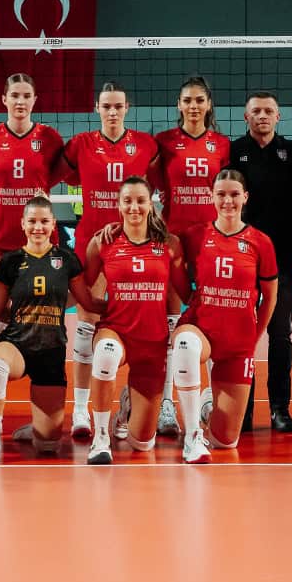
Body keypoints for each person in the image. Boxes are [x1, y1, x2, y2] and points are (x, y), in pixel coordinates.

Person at [55, 82, 158, 441]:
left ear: (127, 108)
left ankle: (130, 402)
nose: (112, 112)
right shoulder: (81, 145)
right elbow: (56, 175)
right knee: (87, 324)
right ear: (97, 109)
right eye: (106, 106)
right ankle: (81, 410)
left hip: (135, 245)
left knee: (139, 325)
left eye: (117, 106)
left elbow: (159, 183)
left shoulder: (144, 145)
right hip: (92, 245)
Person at [0, 196, 105, 464]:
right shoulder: (11, 261)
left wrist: (129, 307)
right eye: (32, 221)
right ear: (23, 224)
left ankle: (39, 428)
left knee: (48, 446)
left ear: (53, 224)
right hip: (17, 343)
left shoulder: (66, 260)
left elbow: (88, 302)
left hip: (51, 350)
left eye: (44, 221)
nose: (38, 227)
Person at [171, 169, 278, 463]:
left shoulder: (261, 242)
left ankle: (207, 406)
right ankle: (193, 436)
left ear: (245, 197)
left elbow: (270, 297)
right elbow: (171, 260)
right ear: (212, 197)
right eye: (221, 194)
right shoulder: (196, 235)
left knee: (225, 441)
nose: (227, 201)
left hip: (237, 345)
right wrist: (190, 299)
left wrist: (253, 338)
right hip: (201, 330)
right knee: (185, 346)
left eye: (234, 194)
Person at [82, 178, 186, 464]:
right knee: (105, 354)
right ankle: (100, 438)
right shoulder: (103, 242)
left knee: (141, 444)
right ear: (118, 205)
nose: (134, 207)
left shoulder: (169, 244)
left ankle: (125, 407)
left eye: (140, 201)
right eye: (127, 201)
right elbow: (83, 287)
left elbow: (185, 292)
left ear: (150, 204)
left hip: (152, 345)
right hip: (116, 331)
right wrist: (99, 307)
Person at [0, 74, 64, 387]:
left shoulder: (50, 138)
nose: (20, 101)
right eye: (15, 95)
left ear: (35, 100)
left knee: (42, 313)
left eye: (26, 96)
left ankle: (44, 382)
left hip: (39, 241)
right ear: (4, 100)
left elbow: (58, 175)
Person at [151, 75, 230, 434]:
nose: (194, 106)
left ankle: (210, 398)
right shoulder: (164, 141)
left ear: (208, 104)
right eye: (187, 100)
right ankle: (166, 404)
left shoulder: (222, 145)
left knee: (212, 318)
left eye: (199, 100)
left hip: (211, 240)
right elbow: (149, 184)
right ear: (179, 105)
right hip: (174, 239)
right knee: (171, 322)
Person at [227, 91, 292, 432]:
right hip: (243, 257)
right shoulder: (233, 152)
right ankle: (243, 410)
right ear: (246, 117)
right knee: (242, 336)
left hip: (283, 257)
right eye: (256, 111)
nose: (262, 115)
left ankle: (279, 410)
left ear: (278, 116)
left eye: (268, 110)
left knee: (280, 333)